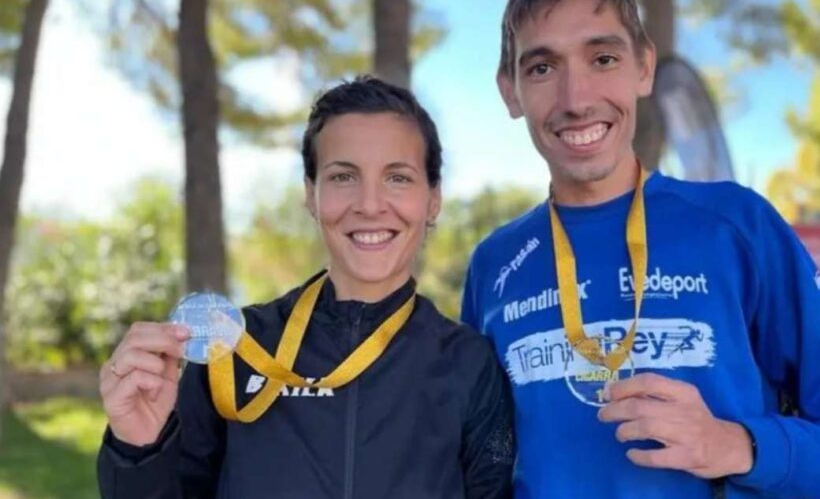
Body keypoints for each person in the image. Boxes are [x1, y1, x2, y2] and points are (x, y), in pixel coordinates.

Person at [460, 0, 820, 497]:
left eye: (603, 59)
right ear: (510, 91)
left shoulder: (736, 226)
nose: (577, 98)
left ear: (644, 67)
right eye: (543, 67)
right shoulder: (495, 265)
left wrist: (736, 445)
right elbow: (479, 464)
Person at [97, 77, 514, 499]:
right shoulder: (235, 349)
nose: (369, 205)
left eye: (398, 178)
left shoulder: (470, 364)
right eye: (343, 176)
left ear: (434, 198)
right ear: (311, 195)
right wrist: (137, 450)